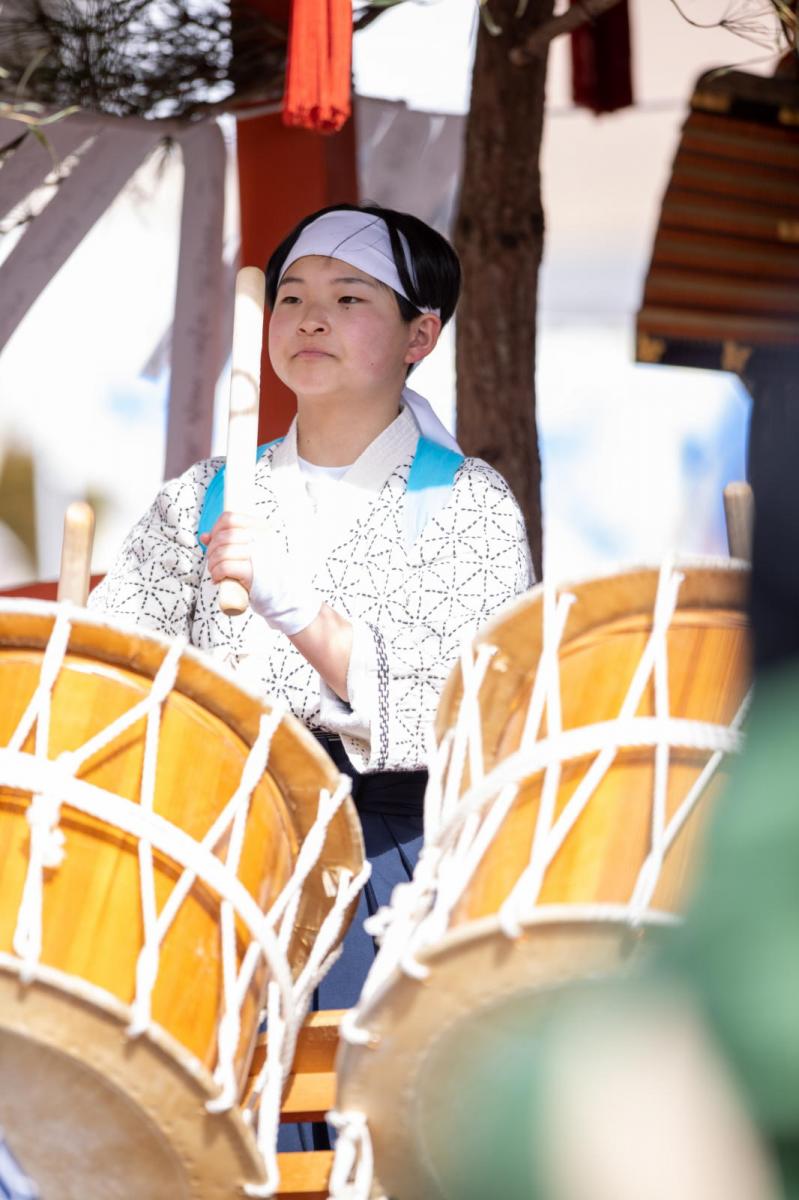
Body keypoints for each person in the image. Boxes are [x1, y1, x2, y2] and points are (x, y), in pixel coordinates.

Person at [89, 204, 534, 1133]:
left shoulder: (466, 504)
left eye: (346, 297)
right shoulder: (204, 496)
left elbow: (473, 712)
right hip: (212, 852)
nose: (309, 319)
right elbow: (112, 675)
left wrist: (297, 611)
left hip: (388, 866)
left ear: (422, 334)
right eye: (289, 297)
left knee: (362, 1132)